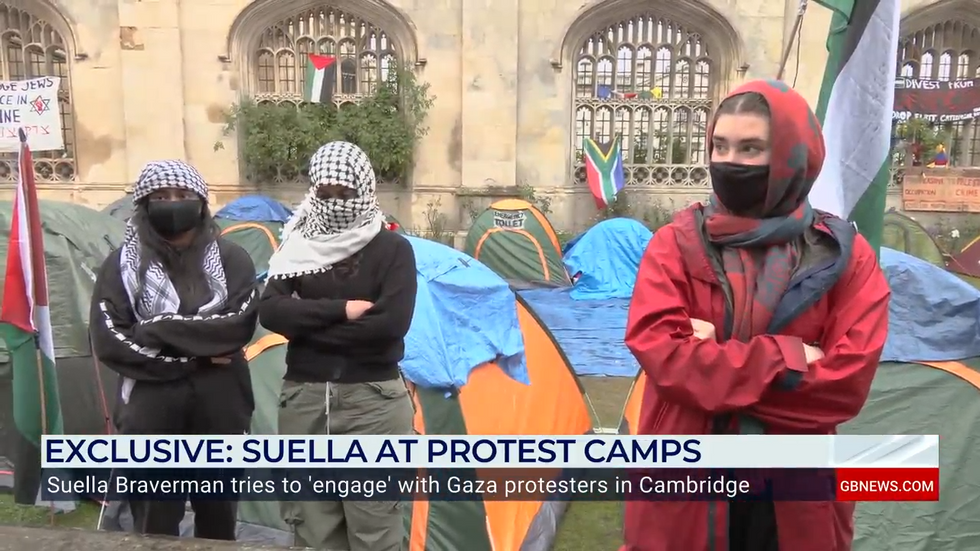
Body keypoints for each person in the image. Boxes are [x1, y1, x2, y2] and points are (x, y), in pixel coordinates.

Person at [622, 79, 891, 551]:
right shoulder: (676, 244)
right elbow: (664, 358)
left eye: (751, 148)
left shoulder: (844, 254)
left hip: (795, 489)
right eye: (721, 146)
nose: (731, 162)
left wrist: (717, 358)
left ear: (794, 156)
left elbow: (845, 385)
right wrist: (793, 358)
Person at [258, 141, 417, 551]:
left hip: (373, 403)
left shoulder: (393, 250)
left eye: (344, 193)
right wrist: (343, 309)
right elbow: (272, 312)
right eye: (324, 193)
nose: (334, 203)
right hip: (305, 400)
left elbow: (389, 327)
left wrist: (305, 324)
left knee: (375, 531)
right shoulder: (297, 247)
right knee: (312, 530)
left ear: (364, 189)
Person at [89, 160, 259, 540]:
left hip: (221, 412)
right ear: (145, 205)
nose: (172, 203)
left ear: (200, 202)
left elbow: (235, 327)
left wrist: (154, 328)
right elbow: (111, 341)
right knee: (153, 523)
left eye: (182, 196)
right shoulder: (120, 266)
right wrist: (193, 359)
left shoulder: (233, 260)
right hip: (149, 414)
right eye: (161, 196)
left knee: (218, 521)